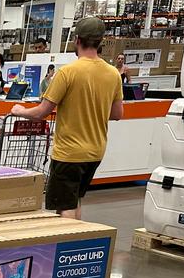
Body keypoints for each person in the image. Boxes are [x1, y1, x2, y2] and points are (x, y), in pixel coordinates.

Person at [9, 17, 123, 219]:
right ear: (100, 41)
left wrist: (19, 111)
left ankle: (64, 248)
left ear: (77, 40)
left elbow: (42, 112)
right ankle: (75, 246)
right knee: (75, 199)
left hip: (69, 152)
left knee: (65, 205)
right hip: (96, 150)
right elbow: (117, 114)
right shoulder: (113, 73)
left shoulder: (67, 73)